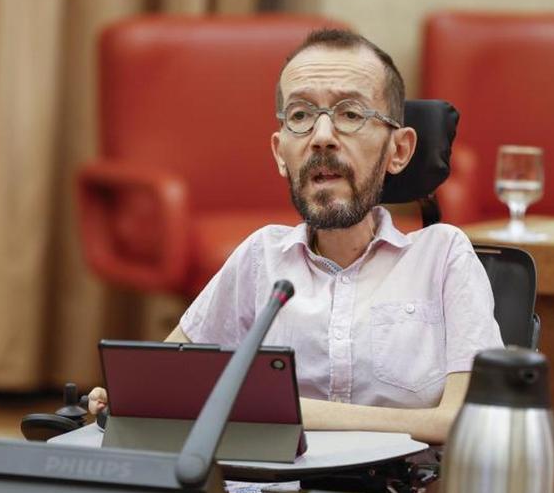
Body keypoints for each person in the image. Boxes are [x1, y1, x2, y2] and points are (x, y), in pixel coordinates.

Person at [89, 29, 502, 444]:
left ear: (398, 150)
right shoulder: (260, 257)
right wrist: (127, 399)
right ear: (280, 153)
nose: (321, 136)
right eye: (301, 116)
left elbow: (463, 422)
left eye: (351, 114)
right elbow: (165, 385)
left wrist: (291, 411)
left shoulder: (443, 255)